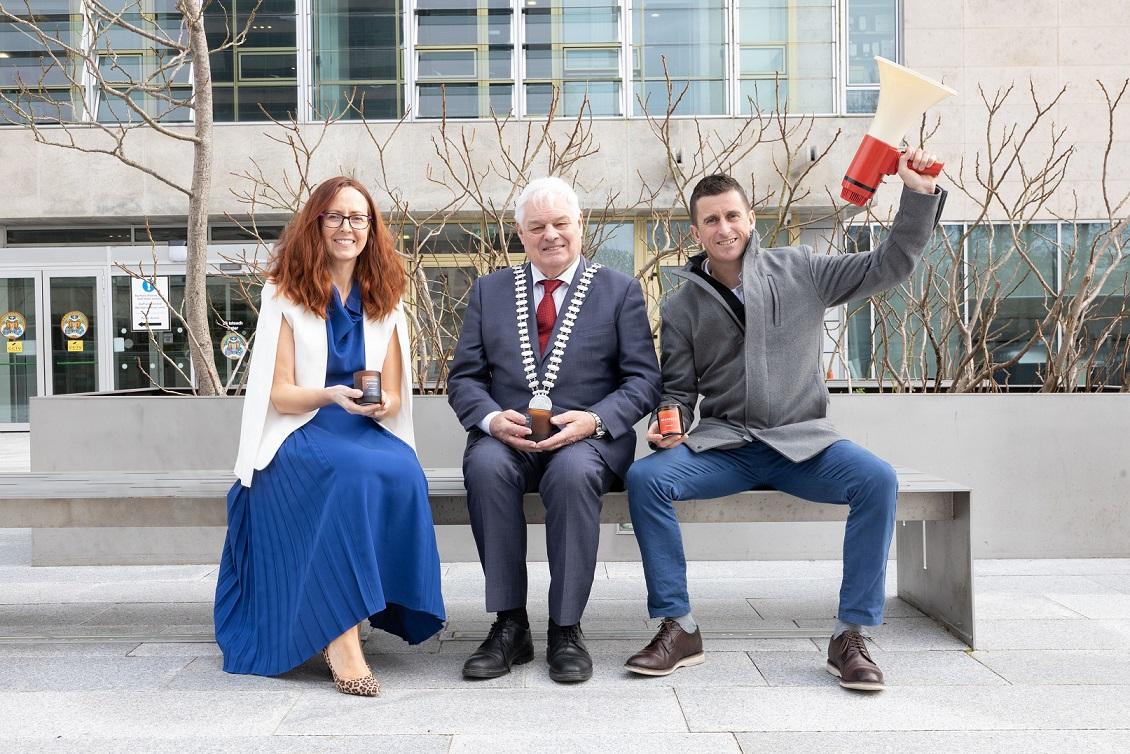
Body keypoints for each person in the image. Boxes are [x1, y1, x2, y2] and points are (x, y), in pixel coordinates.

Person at [624, 150, 946, 691]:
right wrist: (670, 422)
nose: (724, 228)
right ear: (696, 231)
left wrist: (915, 194)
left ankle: (851, 635)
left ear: (751, 219)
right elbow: (678, 390)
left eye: (732, 215)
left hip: (805, 445)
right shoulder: (681, 306)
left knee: (877, 479)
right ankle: (679, 626)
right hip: (725, 448)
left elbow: (890, 263)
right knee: (645, 478)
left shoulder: (803, 269)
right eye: (711, 220)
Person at [214, 176, 445, 697]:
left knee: (403, 469)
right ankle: (341, 640)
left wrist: (382, 402)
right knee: (346, 473)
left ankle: (367, 604)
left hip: (360, 426)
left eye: (358, 218)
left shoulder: (386, 296)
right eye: (335, 217)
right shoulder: (286, 294)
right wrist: (331, 394)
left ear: (372, 228)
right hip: (302, 427)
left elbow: (390, 390)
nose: (347, 227)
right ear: (315, 224)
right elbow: (281, 395)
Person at [447, 176, 661, 683]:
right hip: (509, 438)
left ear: (580, 227)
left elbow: (644, 379)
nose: (551, 235)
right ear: (521, 234)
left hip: (587, 441)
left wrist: (597, 419)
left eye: (561, 223)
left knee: (569, 473)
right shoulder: (489, 290)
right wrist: (491, 419)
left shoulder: (619, 290)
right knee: (484, 464)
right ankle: (509, 625)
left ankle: (566, 628)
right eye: (537, 226)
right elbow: (465, 378)